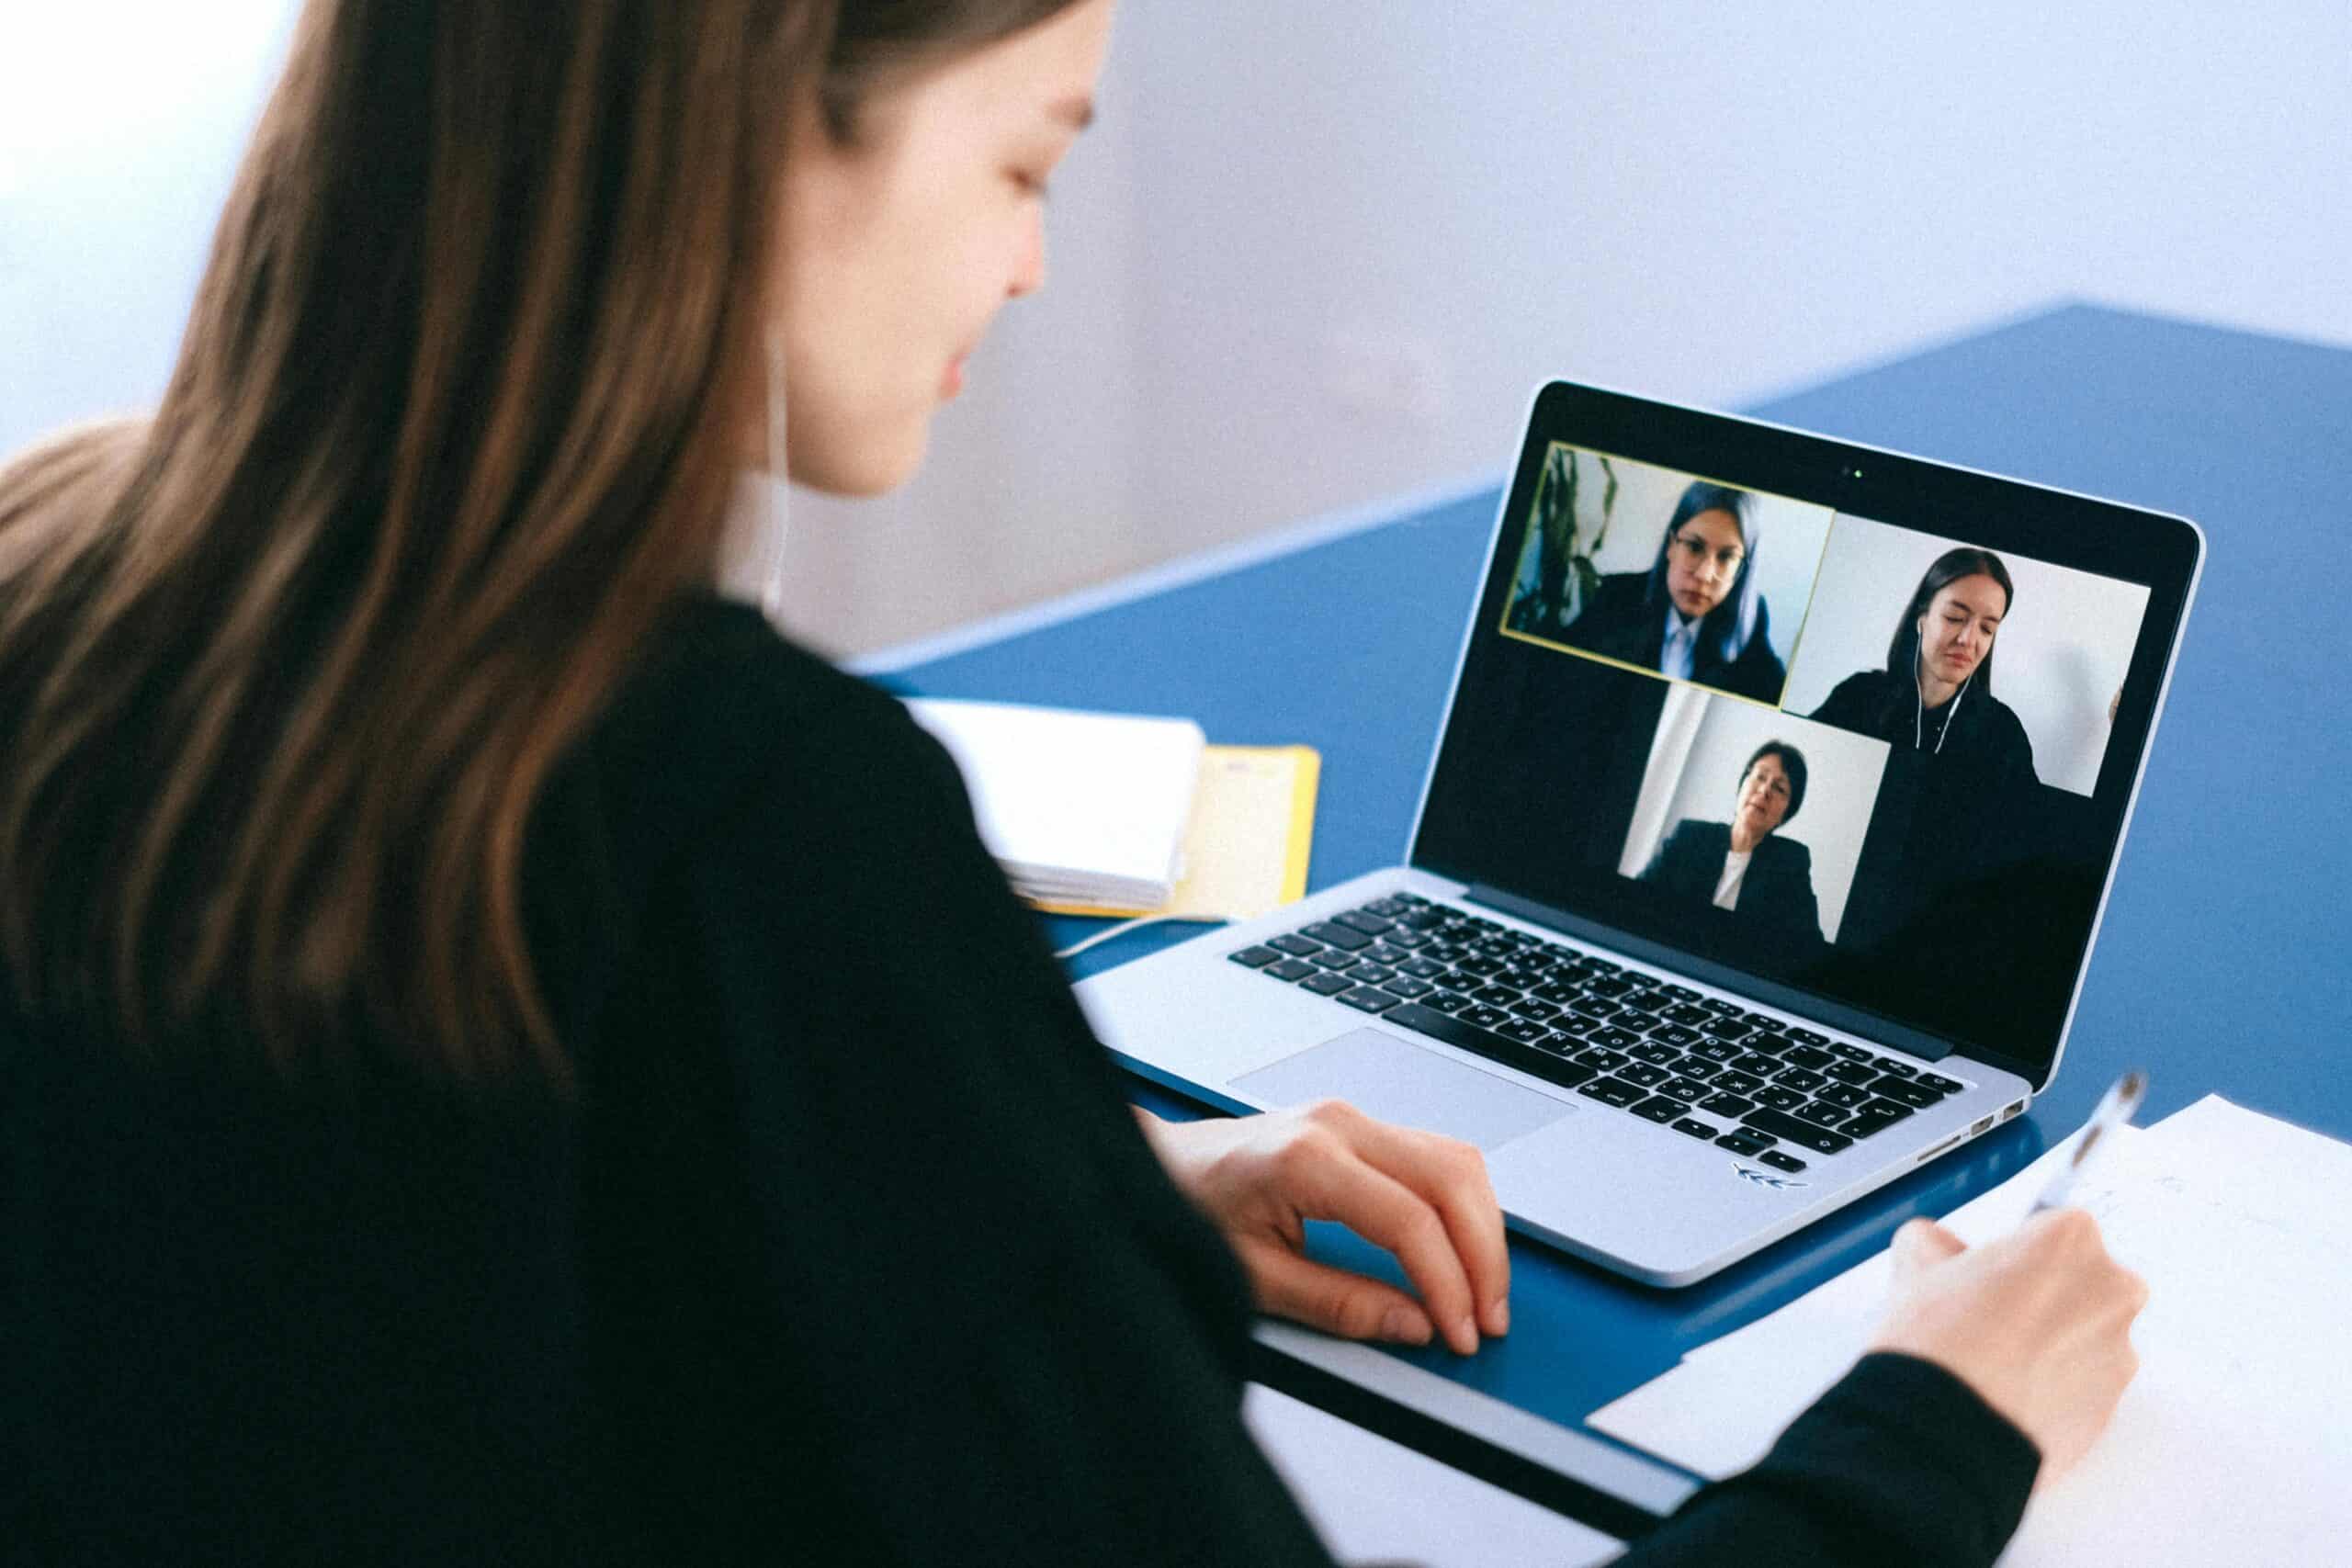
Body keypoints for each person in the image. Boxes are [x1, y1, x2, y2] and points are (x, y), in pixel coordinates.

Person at [0, 4, 2145, 1564]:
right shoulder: (760, 815)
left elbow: (432, 1235)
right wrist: (1932, 1421)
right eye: (1024, 159)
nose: (1030, 262)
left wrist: (1069, 1198)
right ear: (754, 119)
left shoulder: (59, 574)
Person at [1808, 547, 2038, 785]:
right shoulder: (1858, 696)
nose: (1968, 640)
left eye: (1987, 628)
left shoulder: (2003, 733)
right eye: (1954, 618)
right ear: (1922, 618)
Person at [1557, 480, 1789, 703]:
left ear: (1741, 570)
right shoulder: (1618, 596)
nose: (1704, 575)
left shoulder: (1751, 620)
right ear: (1671, 545)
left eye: (1726, 557)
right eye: (1694, 547)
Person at [1640, 740, 1825, 947]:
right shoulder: (1689, 837)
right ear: (1742, 785)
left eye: (1779, 788)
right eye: (1760, 777)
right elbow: (1637, 899)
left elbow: (1808, 945)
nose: (1764, 791)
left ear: (1785, 814)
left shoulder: (1789, 863)